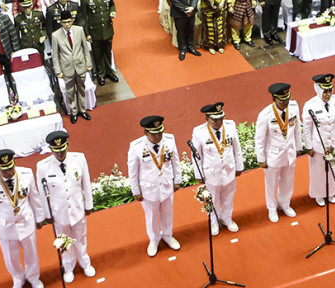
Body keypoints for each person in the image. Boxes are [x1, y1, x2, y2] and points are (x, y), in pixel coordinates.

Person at [0, 149, 46, 288]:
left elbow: (34, 197)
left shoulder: (26, 174)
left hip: (26, 221)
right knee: (11, 257)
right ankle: (18, 279)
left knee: (31, 253)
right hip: (5, 227)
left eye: (11, 168)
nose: (9, 172)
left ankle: (34, 277)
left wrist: (39, 217)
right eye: (4, 170)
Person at [36, 130, 96, 282]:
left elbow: (86, 183)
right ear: (51, 149)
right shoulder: (43, 167)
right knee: (63, 241)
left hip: (77, 207)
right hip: (58, 212)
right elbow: (42, 192)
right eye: (57, 151)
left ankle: (84, 262)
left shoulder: (79, 159)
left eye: (63, 149)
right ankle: (68, 266)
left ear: (67, 145)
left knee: (81, 237)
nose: (60, 154)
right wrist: (47, 215)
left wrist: (88, 204)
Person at [127, 116, 182, 257]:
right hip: (149, 189)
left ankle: (168, 235)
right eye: (154, 134)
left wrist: (178, 180)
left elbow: (176, 161)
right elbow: (133, 172)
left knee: (168, 213)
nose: (158, 136)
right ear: (146, 133)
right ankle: (154, 239)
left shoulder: (170, 140)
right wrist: (136, 191)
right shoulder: (136, 147)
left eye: (160, 133)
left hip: (166, 186)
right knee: (151, 216)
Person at [190, 102, 244, 235]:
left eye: (220, 119)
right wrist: (199, 175)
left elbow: (237, 148)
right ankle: (213, 221)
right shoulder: (199, 132)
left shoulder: (230, 127)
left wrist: (239, 166)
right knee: (212, 199)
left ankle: (227, 218)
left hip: (229, 170)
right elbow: (196, 155)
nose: (218, 122)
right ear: (207, 118)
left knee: (228, 197)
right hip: (211, 173)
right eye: (214, 120)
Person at [255, 83, 301, 222]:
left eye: (287, 99)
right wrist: (261, 158)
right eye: (282, 101)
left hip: (290, 153)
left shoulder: (293, 108)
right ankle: (272, 208)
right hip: (273, 156)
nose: (285, 103)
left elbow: (297, 129)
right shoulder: (266, 115)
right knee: (272, 183)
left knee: (288, 181)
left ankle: (284, 204)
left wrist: (298, 146)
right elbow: (259, 139)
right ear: (274, 99)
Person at [302, 74, 335, 206]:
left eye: (330, 90)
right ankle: (318, 194)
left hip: (333, 143)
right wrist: (309, 146)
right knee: (318, 171)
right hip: (319, 145)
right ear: (318, 90)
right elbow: (307, 128)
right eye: (325, 91)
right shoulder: (310, 105)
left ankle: (331, 193)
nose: (328, 94)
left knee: (333, 169)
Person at [51, 8, 94, 123]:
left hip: (80, 65)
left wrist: (88, 63)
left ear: (72, 21)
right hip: (66, 68)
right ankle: (74, 111)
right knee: (70, 91)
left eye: (69, 21)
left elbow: (85, 48)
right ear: (60, 22)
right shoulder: (55, 35)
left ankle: (83, 110)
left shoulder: (79, 30)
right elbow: (55, 55)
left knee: (81, 88)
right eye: (64, 22)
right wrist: (58, 71)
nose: (67, 24)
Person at [79, 0, 118, 85]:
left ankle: (109, 72)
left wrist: (113, 11)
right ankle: (101, 74)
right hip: (94, 30)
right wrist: (87, 33)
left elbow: (112, 5)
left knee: (107, 51)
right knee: (97, 53)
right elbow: (84, 18)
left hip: (107, 28)